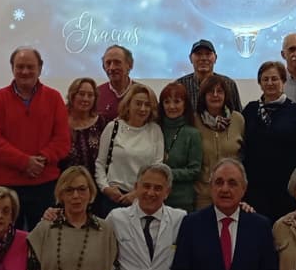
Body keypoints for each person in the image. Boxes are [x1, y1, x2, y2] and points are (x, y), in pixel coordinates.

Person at [0, 47, 71, 230]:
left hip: (45, 184)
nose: (25, 71)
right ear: (12, 68)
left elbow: (62, 140)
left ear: (40, 68)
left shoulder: (54, 98)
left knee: (45, 238)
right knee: (5, 238)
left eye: (30, 67)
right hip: (6, 185)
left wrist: (41, 160)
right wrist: (25, 162)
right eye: (20, 66)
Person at [241, 62, 296, 218]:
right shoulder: (250, 110)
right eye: (265, 79)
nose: (270, 83)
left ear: (283, 81)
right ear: (259, 83)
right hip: (255, 186)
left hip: (285, 187)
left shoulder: (295, 111)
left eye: (274, 79)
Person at [95, 84, 165, 217]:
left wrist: (137, 193)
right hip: (113, 198)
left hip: (143, 198)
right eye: (138, 103)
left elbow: (157, 167)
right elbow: (100, 163)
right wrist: (105, 188)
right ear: (128, 104)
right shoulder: (113, 127)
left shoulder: (155, 130)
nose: (143, 109)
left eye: (147, 105)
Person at [192, 74, 245, 209]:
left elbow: (245, 155)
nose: (215, 95)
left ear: (226, 95)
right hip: (203, 195)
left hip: (233, 193)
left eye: (220, 91)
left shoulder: (238, 119)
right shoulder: (194, 121)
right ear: (203, 96)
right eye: (210, 91)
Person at [158, 82, 204, 212]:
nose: (172, 106)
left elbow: (194, 170)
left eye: (177, 101)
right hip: (154, 198)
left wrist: (166, 173)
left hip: (182, 201)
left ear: (185, 104)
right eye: (167, 102)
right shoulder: (155, 129)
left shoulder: (192, 134)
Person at [176, 38, 244, 114]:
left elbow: (238, 114)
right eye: (198, 54)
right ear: (190, 58)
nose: (203, 58)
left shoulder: (228, 84)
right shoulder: (180, 85)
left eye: (208, 54)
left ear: (215, 58)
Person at [62, 76, 106, 175]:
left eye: (90, 95)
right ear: (72, 95)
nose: (86, 99)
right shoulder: (60, 120)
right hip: (64, 180)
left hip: (94, 181)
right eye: (81, 94)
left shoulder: (102, 123)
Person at [96, 44, 136, 123]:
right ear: (103, 67)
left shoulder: (142, 93)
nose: (112, 68)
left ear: (130, 65)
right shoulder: (96, 94)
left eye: (117, 62)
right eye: (108, 63)